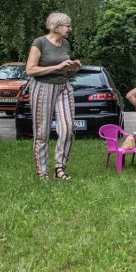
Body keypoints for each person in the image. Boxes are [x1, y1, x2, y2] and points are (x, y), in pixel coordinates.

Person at [25, 11, 81, 180]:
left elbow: (65, 70)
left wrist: (73, 68)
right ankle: (42, 172)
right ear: (57, 26)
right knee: (42, 132)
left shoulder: (65, 44)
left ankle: (60, 168)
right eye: (68, 26)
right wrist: (58, 66)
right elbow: (30, 70)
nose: (70, 29)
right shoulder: (39, 43)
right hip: (42, 88)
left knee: (68, 128)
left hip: (63, 87)